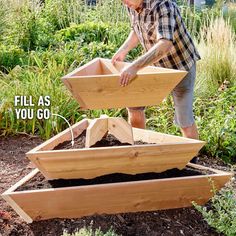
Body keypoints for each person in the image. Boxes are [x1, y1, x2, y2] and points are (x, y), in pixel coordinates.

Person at [111, 0, 201, 140]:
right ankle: (138, 148)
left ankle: (191, 159)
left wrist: (134, 66)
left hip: (180, 67)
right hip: (156, 65)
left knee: (184, 120)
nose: (124, 3)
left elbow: (165, 44)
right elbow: (136, 29)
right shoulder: (132, 5)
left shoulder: (163, 5)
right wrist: (124, 50)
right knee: (134, 104)